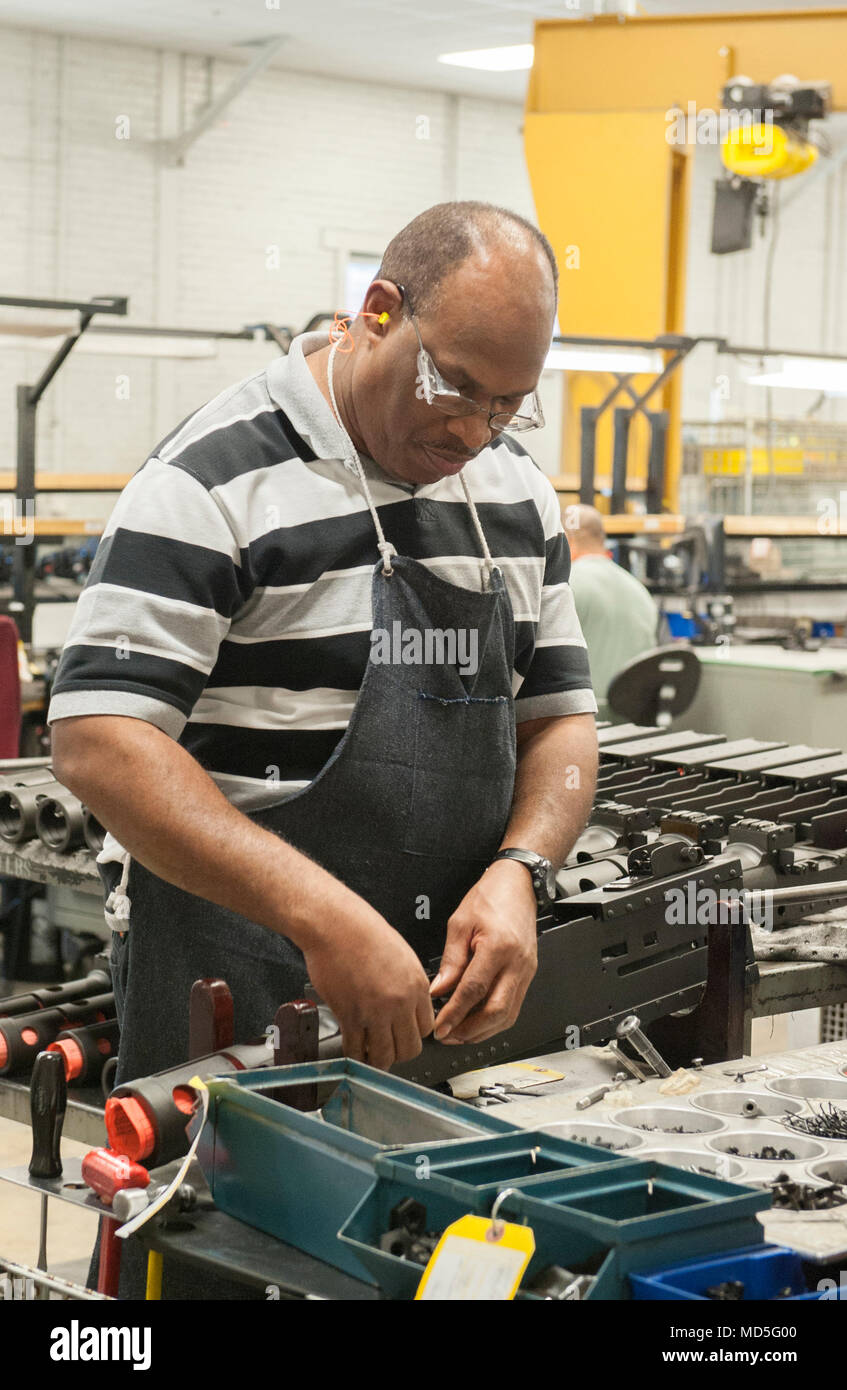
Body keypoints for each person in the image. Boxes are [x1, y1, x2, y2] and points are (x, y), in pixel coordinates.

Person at [49, 201, 599, 1088]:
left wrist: (521, 870)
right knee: (223, 1222)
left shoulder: (515, 491)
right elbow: (98, 742)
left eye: (507, 405)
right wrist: (322, 917)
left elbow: (558, 720)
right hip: (236, 974)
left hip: (449, 989)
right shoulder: (212, 480)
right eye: (454, 386)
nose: (471, 432)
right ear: (378, 311)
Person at [565, 504, 659, 712]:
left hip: (584, 721)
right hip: (635, 718)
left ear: (568, 540)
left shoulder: (565, 584)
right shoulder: (640, 590)